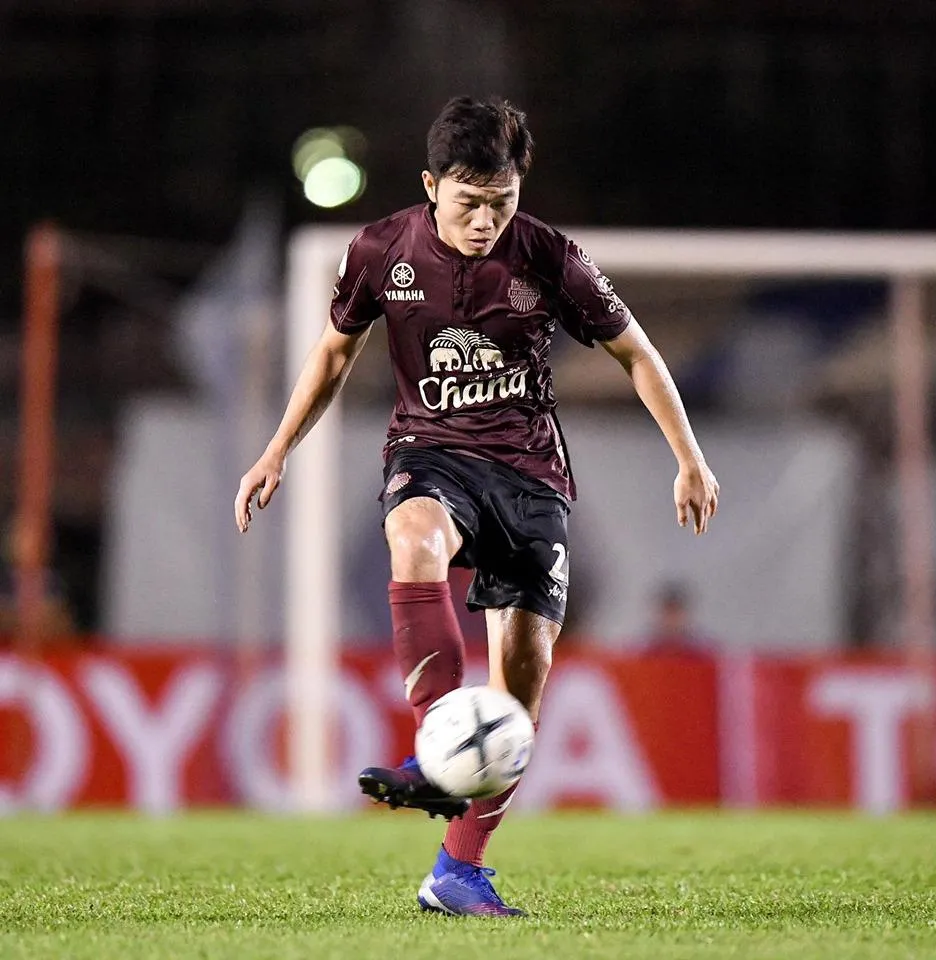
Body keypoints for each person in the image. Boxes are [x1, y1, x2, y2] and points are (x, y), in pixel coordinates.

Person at [235, 96, 719, 917]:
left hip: (530, 478)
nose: (487, 221)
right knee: (414, 537)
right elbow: (334, 352)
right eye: (469, 203)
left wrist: (690, 457)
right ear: (431, 186)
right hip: (430, 453)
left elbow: (635, 353)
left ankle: (457, 871)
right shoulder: (380, 250)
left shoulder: (550, 257)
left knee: (520, 690)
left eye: (503, 201)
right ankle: (439, 743)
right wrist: (277, 447)